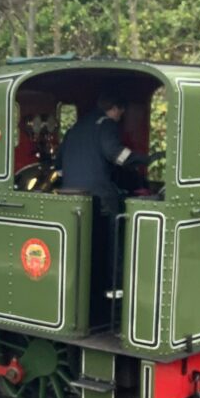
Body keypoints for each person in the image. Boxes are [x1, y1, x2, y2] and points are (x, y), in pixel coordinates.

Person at [58, 93, 160, 317]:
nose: (120, 116)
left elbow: (60, 162)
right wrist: (146, 159)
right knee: (118, 227)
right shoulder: (106, 125)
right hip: (98, 194)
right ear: (114, 108)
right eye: (120, 112)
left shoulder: (77, 127)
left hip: (70, 196)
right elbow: (116, 155)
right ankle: (115, 286)